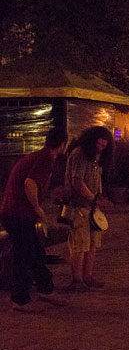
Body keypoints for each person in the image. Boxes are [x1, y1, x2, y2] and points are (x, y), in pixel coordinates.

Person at [1, 128, 69, 311]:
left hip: (16, 212)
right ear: (63, 143)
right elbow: (29, 183)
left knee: (36, 252)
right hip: (18, 213)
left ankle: (46, 289)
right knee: (23, 256)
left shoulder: (40, 156)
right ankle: (20, 300)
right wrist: (38, 208)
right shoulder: (46, 158)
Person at [65, 126, 114, 291]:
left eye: (103, 146)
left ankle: (88, 276)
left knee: (93, 243)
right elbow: (77, 182)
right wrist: (94, 198)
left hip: (92, 207)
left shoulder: (96, 158)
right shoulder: (80, 154)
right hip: (79, 205)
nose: (100, 148)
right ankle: (77, 279)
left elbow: (96, 179)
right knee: (79, 243)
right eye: (98, 144)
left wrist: (99, 198)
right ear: (91, 141)